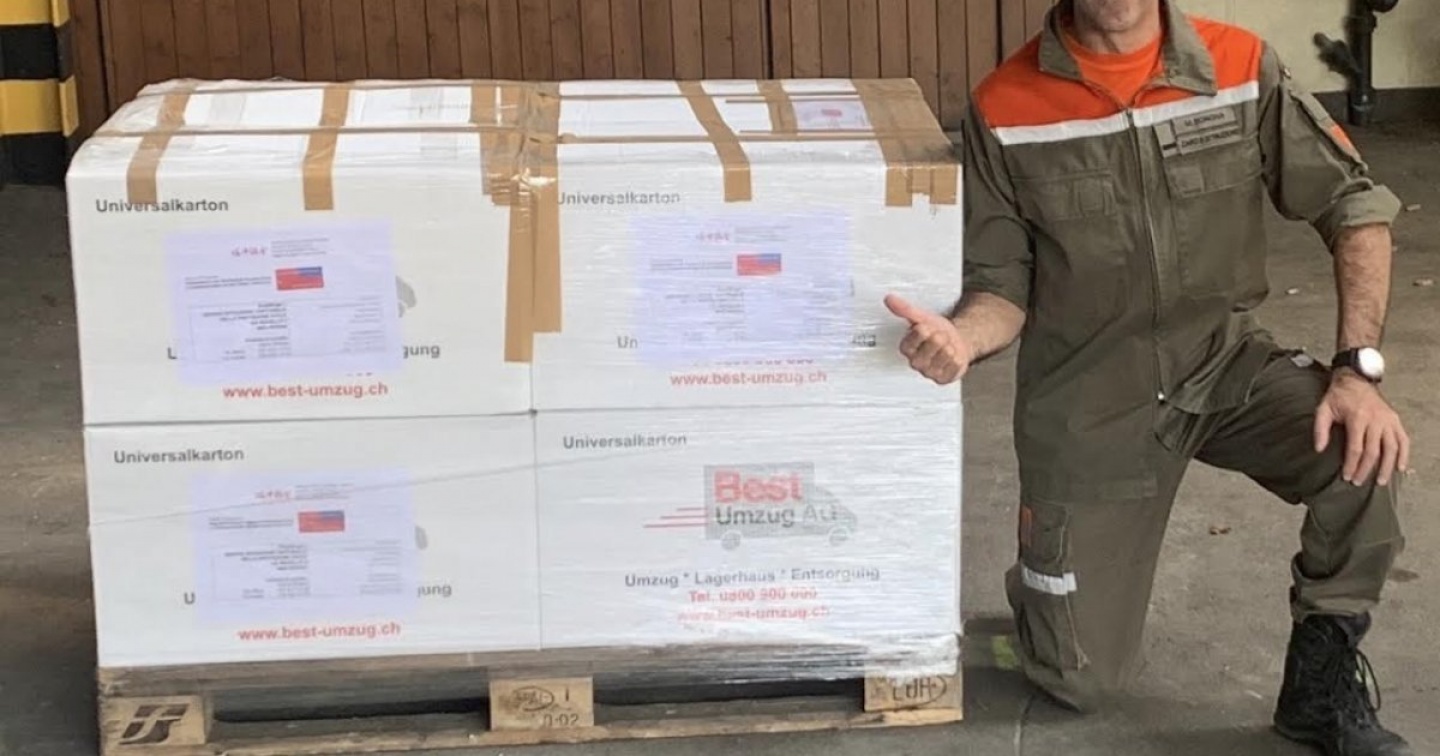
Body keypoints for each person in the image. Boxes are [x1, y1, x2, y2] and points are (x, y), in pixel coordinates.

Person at [884, 1, 1412, 754]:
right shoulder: (1005, 107)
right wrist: (961, 341)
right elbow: (1002, 289)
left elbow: (1353, 203)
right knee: (1079, 682)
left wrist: (1358, 370)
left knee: (1363, 453)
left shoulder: (1240, 67)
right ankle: (1047, 592)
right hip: (1090, 398)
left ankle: (1318, 689)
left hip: (1223, 365)